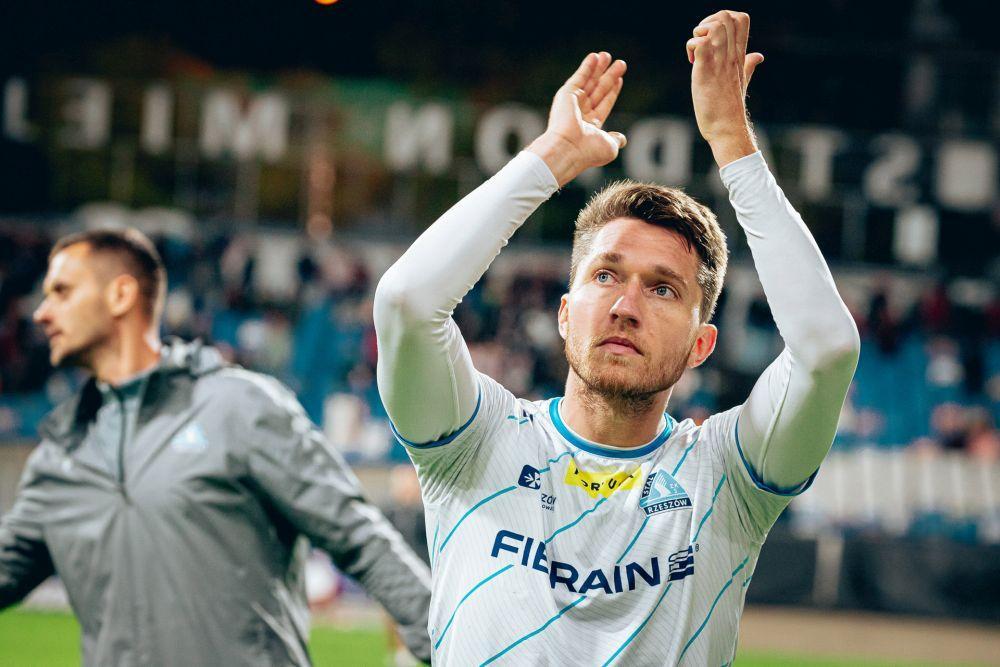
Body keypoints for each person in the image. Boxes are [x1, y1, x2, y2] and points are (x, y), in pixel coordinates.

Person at [374, 11, 859, 666]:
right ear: (564, 313)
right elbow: (406, 303)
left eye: (663, 289)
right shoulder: (475, 443)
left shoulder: (727, 478)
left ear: (701, 345)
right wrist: (552, 157)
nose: (626, 306)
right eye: (606, 275)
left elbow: (828, 348)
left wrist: (733, 145)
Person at [0, 228, 432, 665]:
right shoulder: (59, 458)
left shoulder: (237, 408)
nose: (42, 313)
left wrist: (450, 645)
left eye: (62, 292)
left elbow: (360, 539)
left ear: (120, 295)